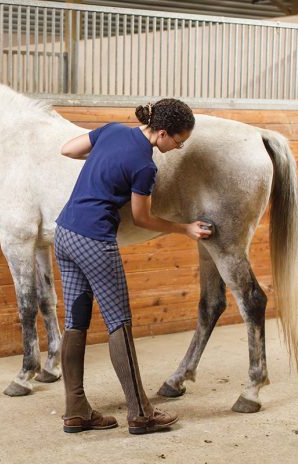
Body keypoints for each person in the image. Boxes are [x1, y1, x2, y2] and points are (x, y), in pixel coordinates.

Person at [54, 98, 213, 435]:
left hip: (65, 233)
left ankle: (75, 410)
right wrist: (184, 228)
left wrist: (102, 159)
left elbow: (68, 150)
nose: (178, 147)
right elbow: (142, 218)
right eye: (179, 141)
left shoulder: (112, 131)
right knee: (119, 323)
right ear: (163, 134)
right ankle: (140, 413)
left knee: (75, 321)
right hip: (94, 240)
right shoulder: (144, 165)